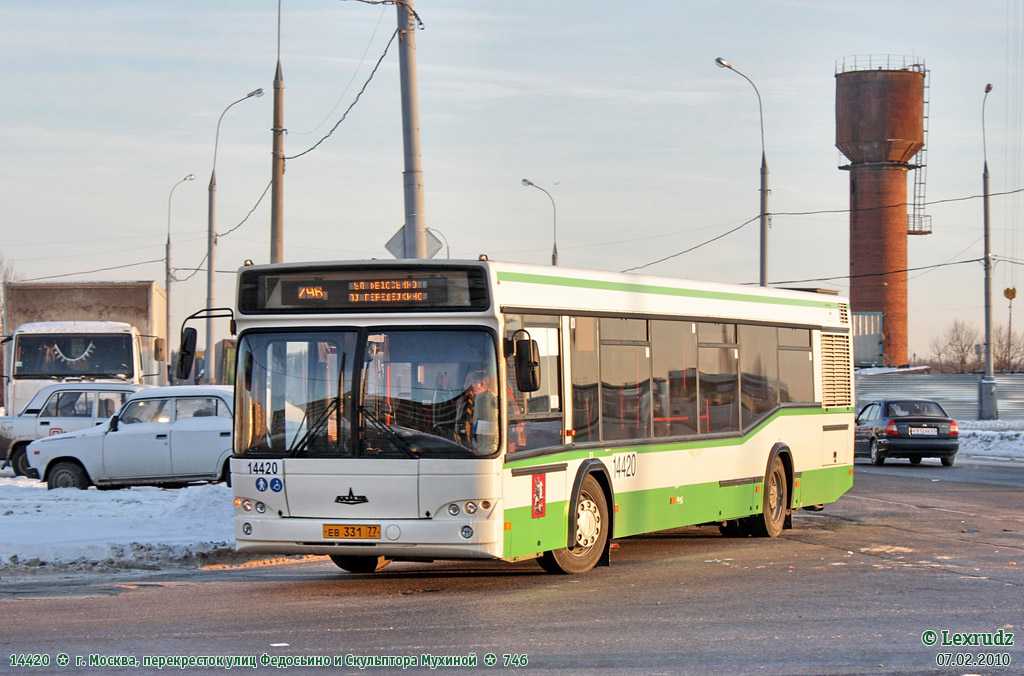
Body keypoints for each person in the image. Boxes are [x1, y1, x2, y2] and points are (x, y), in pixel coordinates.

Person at [456, 369, 498, 453]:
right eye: (465, 381)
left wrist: (478, 449)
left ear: (482, 384)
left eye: (469, 381)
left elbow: (485, 434)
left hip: (482, 451)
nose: (465, 385)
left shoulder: (489, 401)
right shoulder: (471, 399)